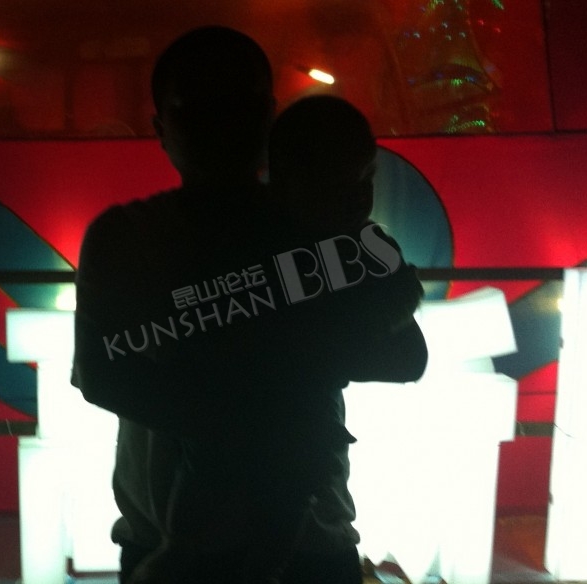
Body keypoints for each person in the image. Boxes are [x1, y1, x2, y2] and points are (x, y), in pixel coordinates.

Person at [71, 26, 427, 584]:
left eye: (237, 104)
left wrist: (226, 376)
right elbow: (400, 353)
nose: (222, 124)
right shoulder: (321, 226)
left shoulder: (126, 237)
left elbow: (108, 375)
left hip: (187, 536)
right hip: (308, 525)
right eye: (201, 107)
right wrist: (283, 374)